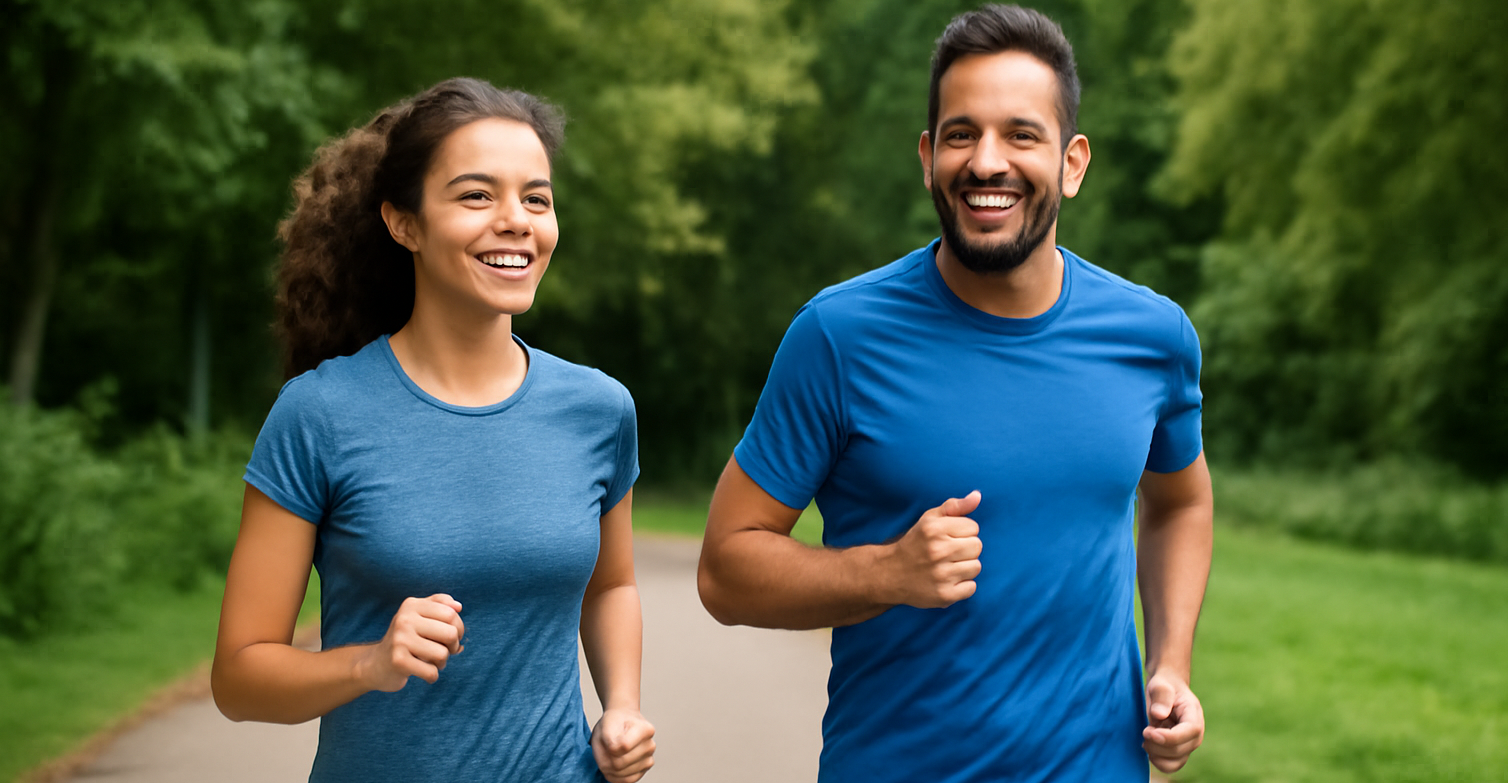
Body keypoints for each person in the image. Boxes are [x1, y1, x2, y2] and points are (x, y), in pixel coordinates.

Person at [697, 5, 1212, 781]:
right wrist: (884, 573)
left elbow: (1178, 502)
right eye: (962, 134)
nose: (986, 162)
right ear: (928, 155)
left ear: (1072, 163)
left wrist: (1171, 664)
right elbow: (724, 569)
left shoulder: (1152, 337)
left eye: (1021, 135)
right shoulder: (839, 336)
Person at [211, 78, 656, 783]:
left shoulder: (599, 409)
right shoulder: (319, 414)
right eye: (477, 195)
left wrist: (622, 706)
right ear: (404, 224)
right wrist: (369, 663)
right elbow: (240, 677)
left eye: (536, 198)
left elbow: (611, 587)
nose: (516, 221)